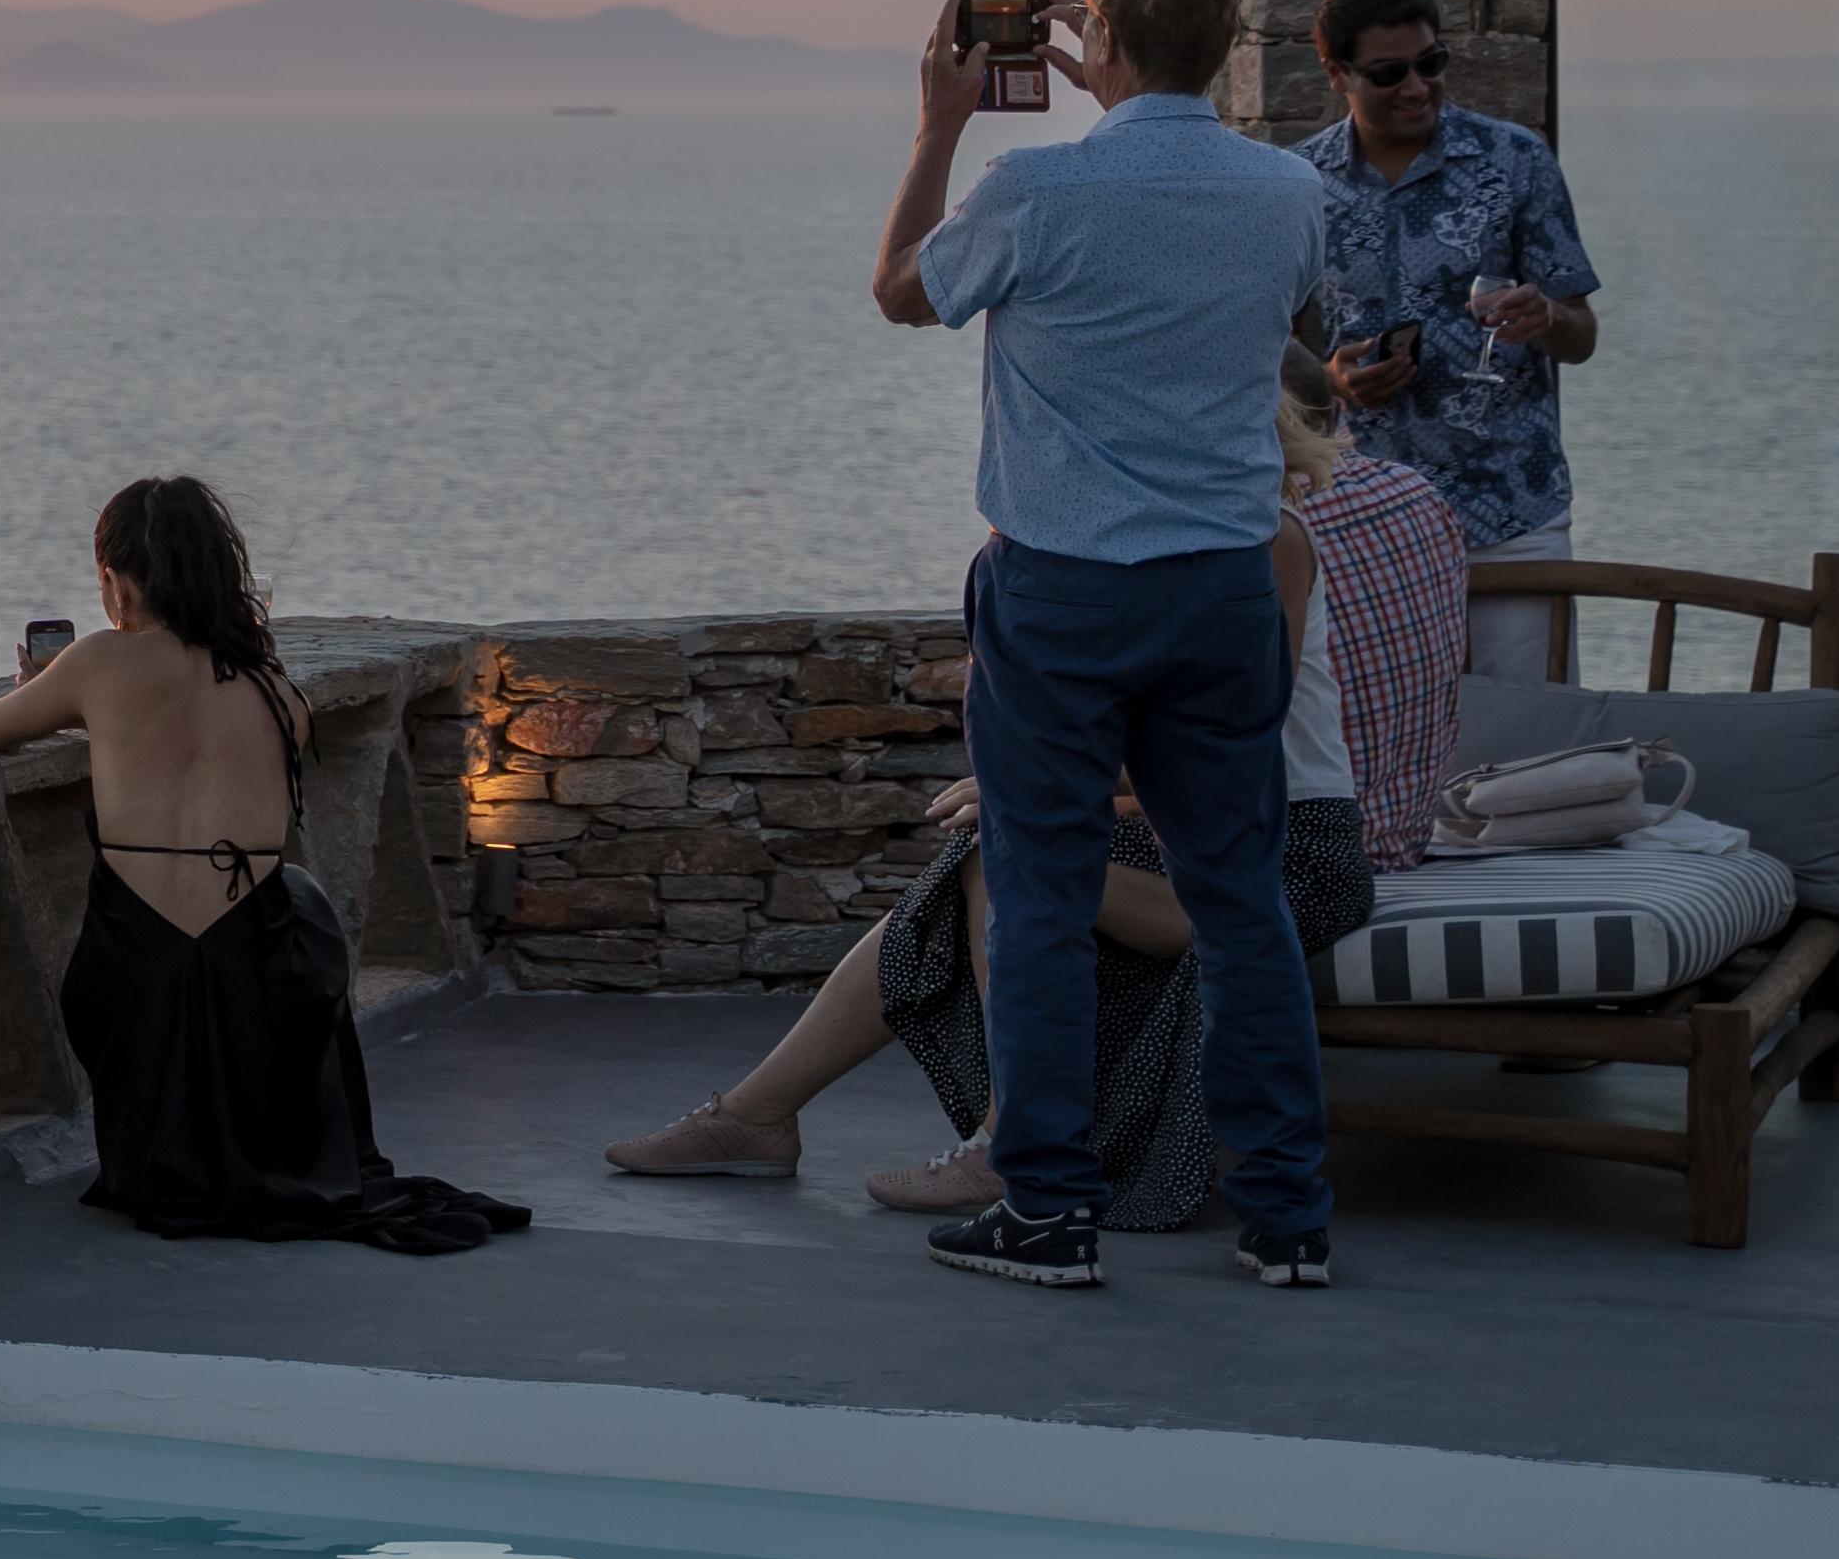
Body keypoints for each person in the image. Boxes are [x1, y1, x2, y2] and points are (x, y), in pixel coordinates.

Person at [604, 382, 1461, 1223]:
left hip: (1283, 852)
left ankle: (991, 1143)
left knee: (998, 852)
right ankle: (762, 1115)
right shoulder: (1166, 545)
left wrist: (1065, 792)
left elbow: (1237, 743)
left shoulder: (1266, 539)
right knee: (985, 853)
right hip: (1185, 834)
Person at [864, 0, 1336, 1294]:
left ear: (1097, 38)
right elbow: (1265, 302)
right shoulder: (1285, 197)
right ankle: (1287, 1216)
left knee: (1041, 892)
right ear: (1227, 46)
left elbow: (901, 293)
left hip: (1062, 588)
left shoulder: (1031, 186)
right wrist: (1145, 90)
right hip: (1216, 582)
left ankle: (1049, 1209)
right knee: (1238, 899)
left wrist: (935, 122)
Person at [0, 474, 527, 1256]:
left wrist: (42, 686)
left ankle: (168, 1152)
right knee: (294, 895)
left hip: (139, 974)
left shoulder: (97, 662)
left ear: (114, 577)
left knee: (142, 924)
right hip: (255, 975)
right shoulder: (274, 690)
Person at [1297, 0, 1605, 681]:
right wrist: (1332, 378)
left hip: (1510, 509)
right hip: (1361, 514)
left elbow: (1582, 336)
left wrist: (1548, 315)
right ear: (1334, 72)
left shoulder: (1514, 159)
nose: (1416, 86)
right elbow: (1265, 350)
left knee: (1526, 746)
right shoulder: (1296, 184)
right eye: (1388, 71)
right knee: (1377, 740)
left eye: (1430, 63)